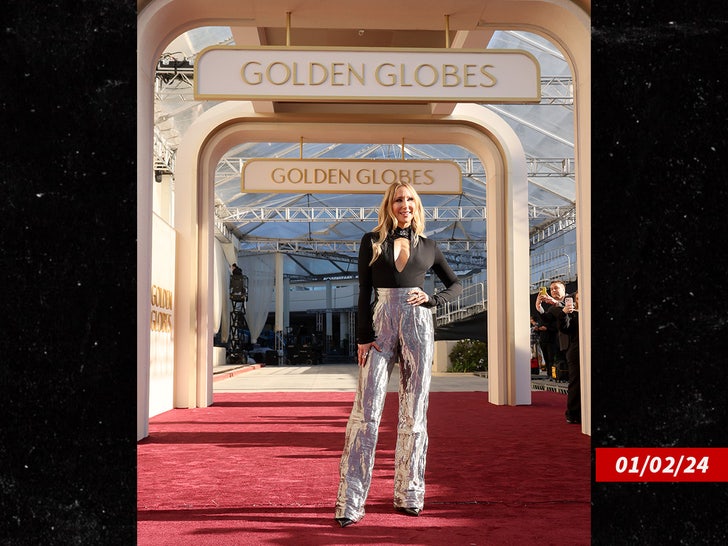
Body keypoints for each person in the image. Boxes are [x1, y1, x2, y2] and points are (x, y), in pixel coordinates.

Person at [334, 182, 463, 528]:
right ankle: (351, 500)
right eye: (398, 199)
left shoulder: (430, 246)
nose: (404, 204)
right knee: (367, 410)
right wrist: (363, 336)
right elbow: (363, 289)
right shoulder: (372, 241)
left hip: (418, 324)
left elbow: (455, 284)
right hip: (380, 324)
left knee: (415, 410)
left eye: (409, 199)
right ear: (389, 205)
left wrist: (433, 300)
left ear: (416, 205)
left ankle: (410, 494)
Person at [535, 280, 568, 379]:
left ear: (563, 289)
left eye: (556, 288)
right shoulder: (552, 308)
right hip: (561, 341)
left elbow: (572, 308)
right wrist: (539, 306)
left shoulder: (573, 297)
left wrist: (556, 303)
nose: (553, 291)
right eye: (551, 289)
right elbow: (547, 318)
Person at [557, 291, 581, 424]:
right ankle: (573, 414)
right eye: (578, 298)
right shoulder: (572, 314)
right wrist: (564, 313)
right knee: (576, 382)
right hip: (576, 352)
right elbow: (565, 328)